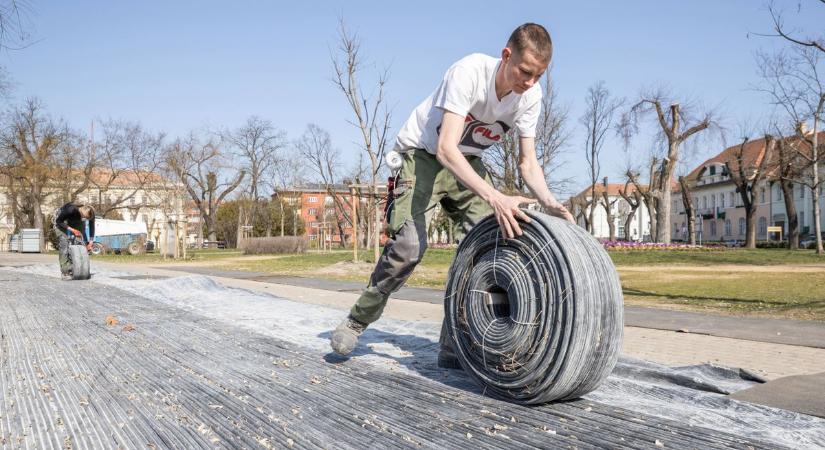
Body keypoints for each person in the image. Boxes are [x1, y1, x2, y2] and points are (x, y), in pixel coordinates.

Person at [330, 23, 575, 367]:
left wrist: (550, 202)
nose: (530, 83)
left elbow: (527, 162)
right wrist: (495, 196)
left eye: (539, 75)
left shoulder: (530, 97)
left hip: (468, 163)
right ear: (507, 56)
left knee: (492, 243)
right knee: (408, 248)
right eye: (525, 72)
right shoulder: (469, 73)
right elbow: (446, 149)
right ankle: (357, 319)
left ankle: (454, 342)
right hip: (422, 156)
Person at [53, 202, 95, 280]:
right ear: (82, 212)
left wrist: (91, 242)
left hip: (76, 219)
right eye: (84, 217)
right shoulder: (70, 210)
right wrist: (72, 230)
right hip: (62, 221)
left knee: (81, 240)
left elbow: (92, 226)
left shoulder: (91, 212)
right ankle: (65, 271)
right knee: (64, 243)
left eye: (86, 219)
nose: (85, 219)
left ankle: (82, 268)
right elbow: (59, 221)